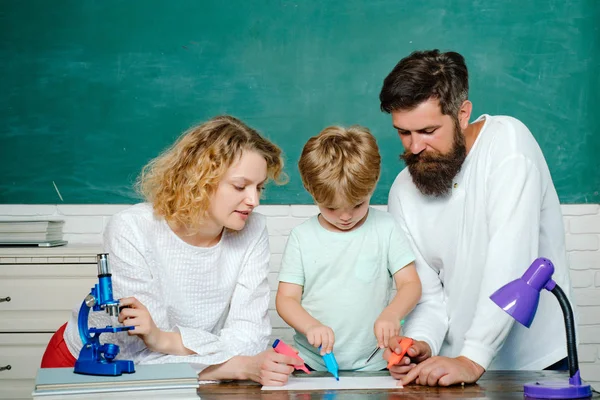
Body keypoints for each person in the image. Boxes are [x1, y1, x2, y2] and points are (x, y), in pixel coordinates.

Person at [40, 115, 299, 386]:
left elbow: (250, 340)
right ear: (199, 179)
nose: (253, 200)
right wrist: (234, 366)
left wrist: (166, 340)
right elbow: (141, 353)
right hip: (89, 361)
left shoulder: (253, 230)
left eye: (259, 187)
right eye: (239, 186)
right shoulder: (131, 229)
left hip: (185, 369)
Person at [379, 49, 573, 386]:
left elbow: (511, 263)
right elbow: (429, 295)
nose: (414, 147)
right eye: (403, 133)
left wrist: (473, 357)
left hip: (536, 364)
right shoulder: (402, 191)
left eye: (427, 130)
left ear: (462, 113)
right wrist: (423, 343)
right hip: (457, 368)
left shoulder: (509, 148)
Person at [275, 125, 422, 371]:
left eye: (357, 205)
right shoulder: (302, 237)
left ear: (373, 185)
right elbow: (286, 299)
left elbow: (410, 284)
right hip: (313, 363)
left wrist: (392, 313)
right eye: (331, 208)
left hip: (374, 363)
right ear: (312, 193)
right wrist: (310, 326)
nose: (345, 217)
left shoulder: (386, 227)